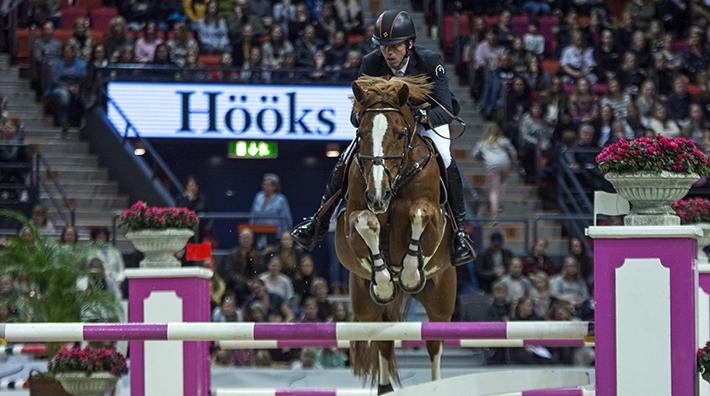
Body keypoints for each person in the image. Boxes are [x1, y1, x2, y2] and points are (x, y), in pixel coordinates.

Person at [290, 9, 476, 266]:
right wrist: (362, 117)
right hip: (386, 129)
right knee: (347, 156)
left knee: (445, 157)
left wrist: (420, 117)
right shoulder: (370, 62)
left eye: (394, 46)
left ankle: (459, 233)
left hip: (426, 122)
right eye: (383, 46)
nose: (388, 53)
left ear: (409, 44)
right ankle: (318, 222)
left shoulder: (430, 60)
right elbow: (357, 110)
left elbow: (446, 108)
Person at [250, 173, 293, 248]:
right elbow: (253, 214)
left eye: (268, 185)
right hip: (258, 232)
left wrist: (286, 232)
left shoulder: (281, 199)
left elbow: (286, 217)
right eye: (264, 184)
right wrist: (251, 228)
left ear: (274, 187)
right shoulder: (258, 197)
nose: (265, 187)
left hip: (276, 233)